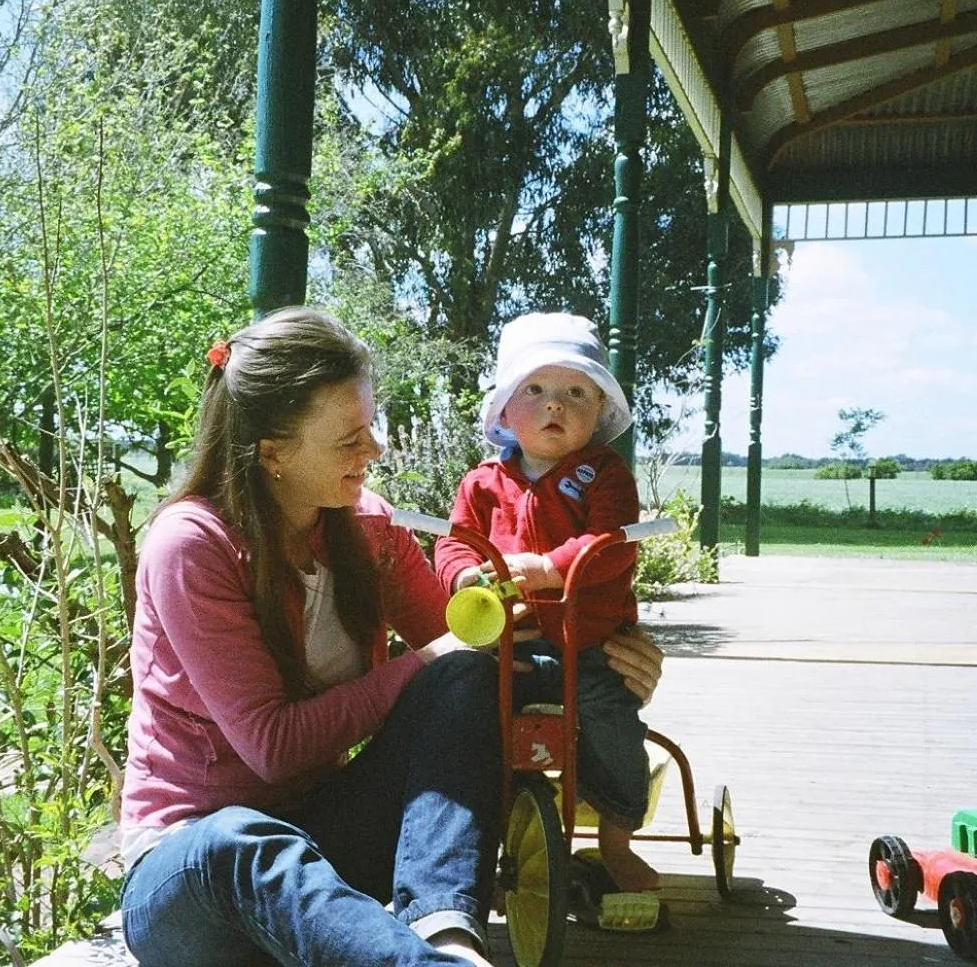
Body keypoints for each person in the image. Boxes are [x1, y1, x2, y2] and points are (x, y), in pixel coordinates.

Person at [118, 307, 665, 967]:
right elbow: (274, 749)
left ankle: (447, 934)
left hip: (328, 836)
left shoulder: (366, 526)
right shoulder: (192, 545)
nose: (374, 451)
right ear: (273, 455)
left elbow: (474, 653)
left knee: (467, 681)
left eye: (370, 426)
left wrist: (610, 654)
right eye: (349, 440)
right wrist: (429, 659)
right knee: (238, 841)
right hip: (196, 879)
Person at [434, 311, 659, 895]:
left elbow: (613, 546)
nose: (554, 405)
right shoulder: (482, 483)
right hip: (508, 642)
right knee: (470, 719)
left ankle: (616, 841)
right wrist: (462, 579)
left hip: (589, 644)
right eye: (534, 390)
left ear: (600, 412)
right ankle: (472, 835)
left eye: (575, 392)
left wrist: (550, 568)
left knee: (610, 720)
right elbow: (454, 543)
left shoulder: (606, 476)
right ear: (505, 410)